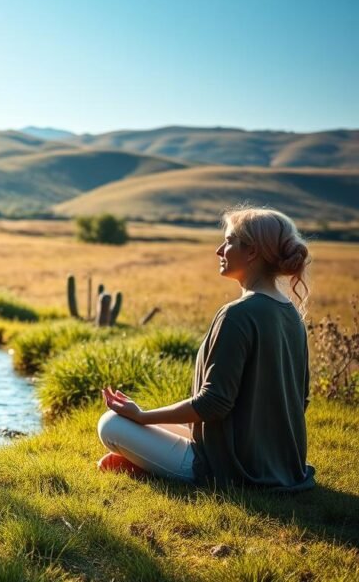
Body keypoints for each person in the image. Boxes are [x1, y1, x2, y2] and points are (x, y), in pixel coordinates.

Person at [96, 207, 315, 491]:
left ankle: (156, 468)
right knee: (142, 425)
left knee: (111, 424)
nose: (219, 250)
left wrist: (142, 416)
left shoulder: (238, 314)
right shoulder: (291, 314)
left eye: (229, 241)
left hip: (232, 468)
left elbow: (213, 404)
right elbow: (302, 399)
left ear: (251, 253)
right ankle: (148, 462)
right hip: (279, 462)